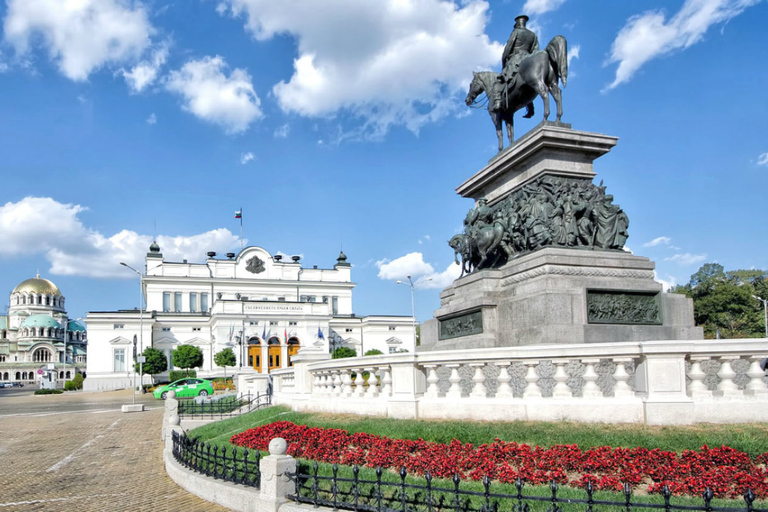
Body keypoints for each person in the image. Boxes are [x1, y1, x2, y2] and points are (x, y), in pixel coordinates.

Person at [493, 15, 539, 117]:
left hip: (516, 59)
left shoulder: (516, 32)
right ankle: (530, 108)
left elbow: (508, 48)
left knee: (498, 80)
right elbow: (536, 51)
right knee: (530, 82)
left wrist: (504, 61)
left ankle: (497, 103)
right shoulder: (533, 35)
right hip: (529, 59)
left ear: (518, 23)